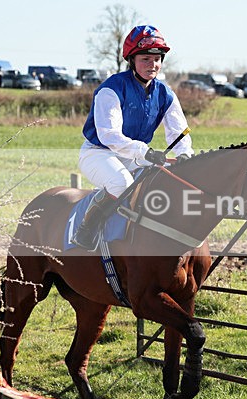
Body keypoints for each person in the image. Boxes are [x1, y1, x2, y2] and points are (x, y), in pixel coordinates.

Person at [71, 24, 194, 250]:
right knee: (122, 183)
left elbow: (179, 130)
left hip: (136, 155)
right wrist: (144, 152)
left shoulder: (165, 93)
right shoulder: (111, 89)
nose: (152, 65)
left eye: (157, 59)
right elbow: (110, 136)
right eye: (145, 59)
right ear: (132, 60)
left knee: (162, 184)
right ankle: (86, 229)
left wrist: (184, 154)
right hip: (99, 153)